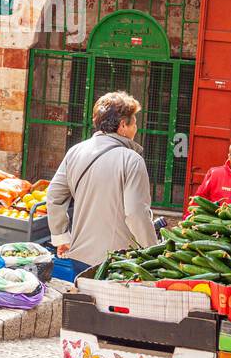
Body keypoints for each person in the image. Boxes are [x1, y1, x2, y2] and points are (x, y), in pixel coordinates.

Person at [47, 91, 158, 272]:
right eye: (135, 123)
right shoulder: (131, 160)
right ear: (123, 125)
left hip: (79, 256)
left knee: (86, 300)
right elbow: (136, 214)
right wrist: (152, 251)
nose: (136, 129)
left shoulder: (75, 152)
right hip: (117, 260)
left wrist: (61, 237)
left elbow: (54, 197)